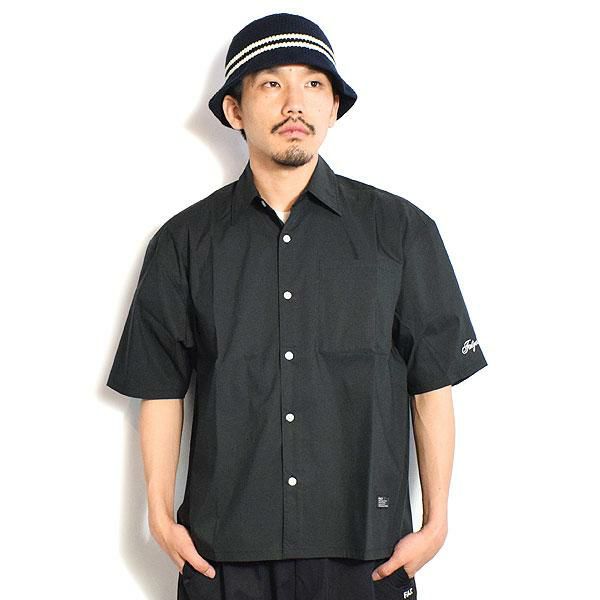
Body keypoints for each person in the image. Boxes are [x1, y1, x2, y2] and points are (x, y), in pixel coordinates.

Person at [106, 12, 488, 600]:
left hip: (367, 551)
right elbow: (160, 386)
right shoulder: (184, 242)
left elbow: (432, 383)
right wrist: (158, 516)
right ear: (234, 110)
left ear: (333, 106)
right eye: (271, 83)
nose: (295, 103)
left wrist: (436, 523)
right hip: (223, 554)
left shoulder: (400, 232)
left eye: (313, 84)